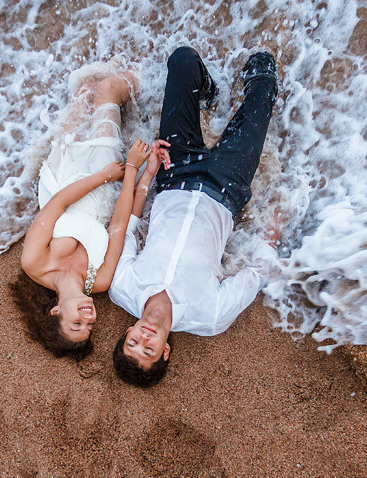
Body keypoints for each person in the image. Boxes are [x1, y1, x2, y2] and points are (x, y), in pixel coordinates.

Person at [108, 46, 280, 386]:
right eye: (149, 349)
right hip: (226, 186)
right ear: (165, 352)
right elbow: (255, 276)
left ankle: (209, 90)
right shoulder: (210, 317)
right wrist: (275, 224)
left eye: (133, 342)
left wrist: (148, 173)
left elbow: (128, 228)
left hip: (174, 171)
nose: (144, 337)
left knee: (183, 60)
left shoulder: (122, 288)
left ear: (127, 331)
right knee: (261, 87)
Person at [14, 68, 155, 360]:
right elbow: (118, 226)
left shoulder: (34, 263)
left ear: (56, 312)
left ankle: (120, 47)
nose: (88, 318)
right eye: (89, 326)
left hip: (64, 176)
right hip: (102, 188)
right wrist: (130, 167)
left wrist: (104, 176)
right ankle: (150, 74)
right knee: (107, 91)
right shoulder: (100, 281)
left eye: (76, 323)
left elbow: (57, 204)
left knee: (86, 88)